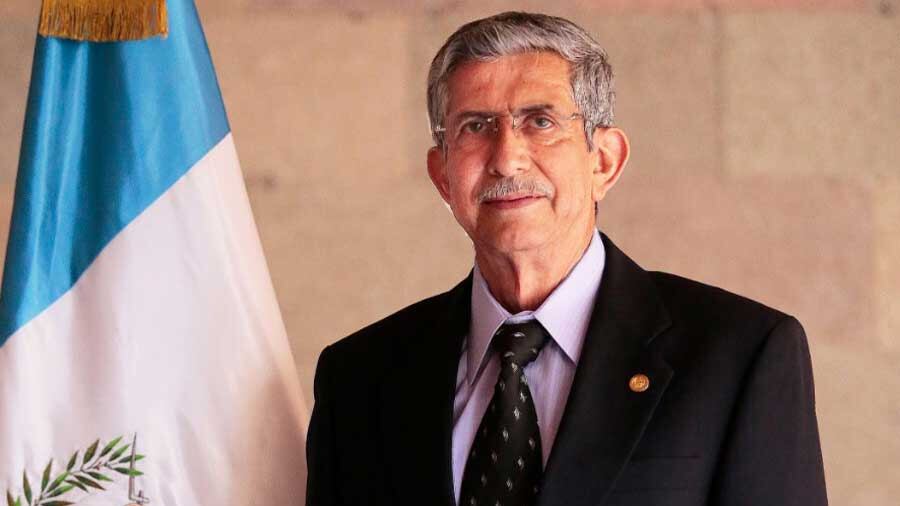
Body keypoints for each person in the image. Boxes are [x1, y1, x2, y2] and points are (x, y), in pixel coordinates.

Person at [306, 11, 827, 506]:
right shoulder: (358, 379)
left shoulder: (741, 355)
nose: (507, 158)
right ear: (442, 176)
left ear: (604, 162)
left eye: (540, 121)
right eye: (476, 126)